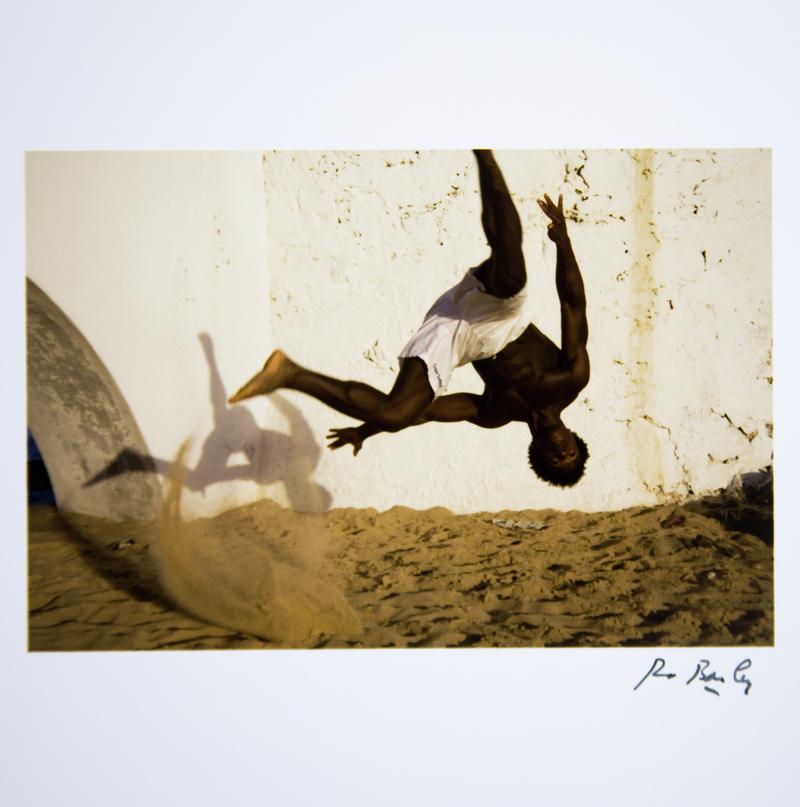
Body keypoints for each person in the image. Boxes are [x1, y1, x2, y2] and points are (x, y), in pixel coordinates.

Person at [229, 150, 590, 487]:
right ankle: (483, 150)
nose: (561, 451)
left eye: (557, 460)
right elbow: (572, 306)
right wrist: (564, 241)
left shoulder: (495, 412)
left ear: (538, 455)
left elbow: (426, 414)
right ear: (574, 438)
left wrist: (365, 431)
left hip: (456, 335)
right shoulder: (571, 379)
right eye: (570, 452)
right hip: (501, 317)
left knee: (396, 413)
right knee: (512, 274)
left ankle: (289, 373)